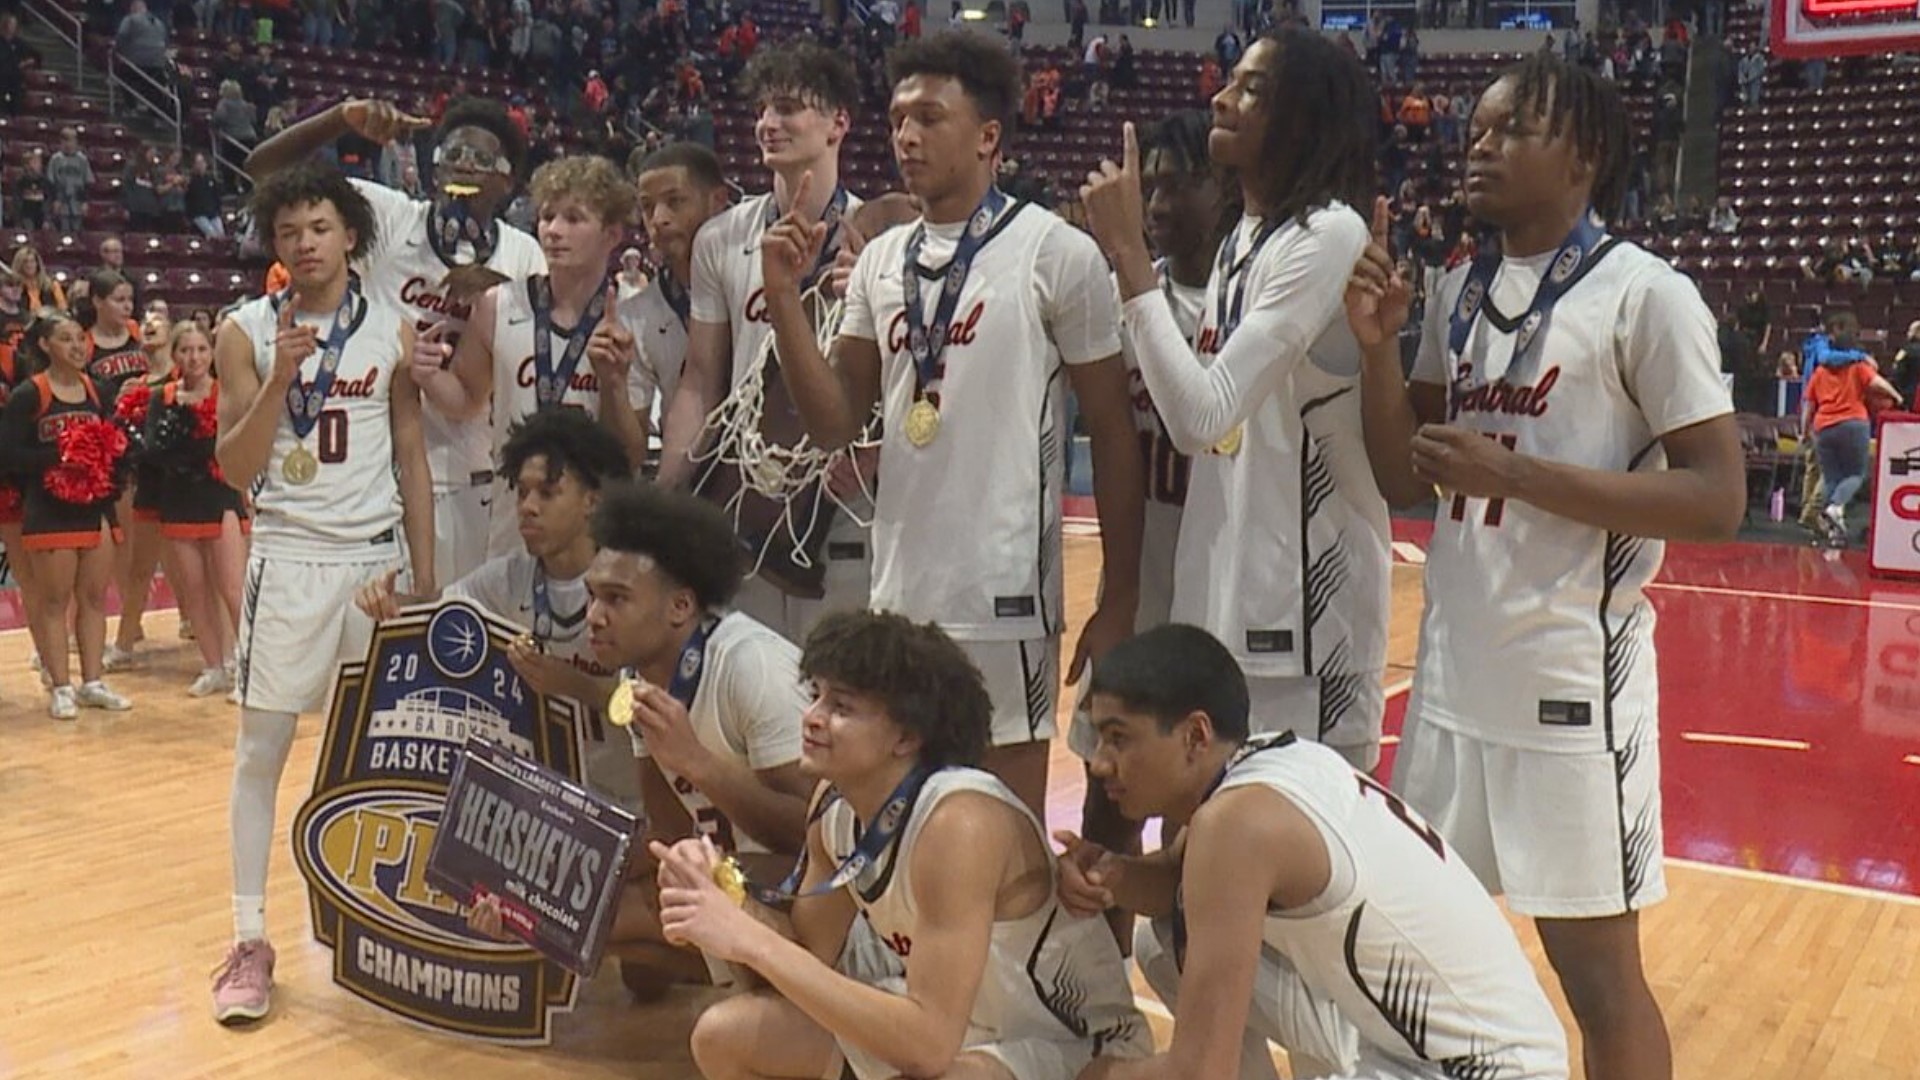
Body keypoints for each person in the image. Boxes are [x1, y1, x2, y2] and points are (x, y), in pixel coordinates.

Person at [1342, 53, 1745, 1080]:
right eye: (1477, 126)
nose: (1480, 143)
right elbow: (1403, 473)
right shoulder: (1462, 288)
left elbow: (1718, 498)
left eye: (1513, 126)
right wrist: (1380, 350)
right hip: (1446, 687)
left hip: (1573, 691)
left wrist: (1519, 477)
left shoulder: (1647, 296)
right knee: (1424, 960)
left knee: (1599, 982)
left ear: (1587, 155)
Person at [764, 31, 1146, 818]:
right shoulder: (880, 260)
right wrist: (781, 300)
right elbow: (836, 419)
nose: (906, 134)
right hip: (899, 589)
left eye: (930, 117)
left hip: (1004, 600)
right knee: (894, 824)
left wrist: (1119, 598)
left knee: (1004, 830)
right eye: (899, 117)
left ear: (988, 136)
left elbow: (1111, 433)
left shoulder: (1056, 252)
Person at [658, 610, 1152, 1080]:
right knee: (724, 1035)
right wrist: (727, 899)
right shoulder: (833, 806)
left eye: (841, 707)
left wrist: (752, 941)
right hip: (957, 1027)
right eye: (816, 696)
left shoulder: (962, 824)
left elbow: (927, 1045)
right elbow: (804, 963)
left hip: (1067, 1043)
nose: (811, 717)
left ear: (906, 738)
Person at [1081, 28, 1391, 772]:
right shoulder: (1244, 238)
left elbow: (1201, 417)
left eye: (1251, 88)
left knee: (1309, 871)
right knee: (1216, 853)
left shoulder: (1330, 234)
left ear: (1302, 115)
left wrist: (1128, 257)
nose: (1221, 97)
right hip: (1228, 608)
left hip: (1310, 627)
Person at [1065, 624, 1570, 1080]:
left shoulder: (1236, 826)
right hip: (1442, 1037)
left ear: (1196, 735)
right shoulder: (1269, 763)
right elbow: (1177, 889)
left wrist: (1095, 1072)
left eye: (1118, 739)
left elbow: (1200, 1071)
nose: (1100, 764)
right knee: (1169, 940)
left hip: (1482, 1069)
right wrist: (1114, 877)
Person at [209, 164, 435, 1025]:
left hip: (374, 566)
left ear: (350, 236)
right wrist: (278, 380)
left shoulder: (391, 328)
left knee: (383, 758)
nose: (303, 244)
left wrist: (426, 570)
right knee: (260, 752)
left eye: (318, 228)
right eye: (287, 233)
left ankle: (380, 922)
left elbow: (411, 454)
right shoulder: (243, 331)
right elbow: (236, 465)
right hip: (289, 558)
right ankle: (249, 937)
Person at [247, 96, 546, 587]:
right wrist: (338, 120)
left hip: (472, 471)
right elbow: (264, 170)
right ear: (431, 166)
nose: (464, 167)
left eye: (481, 160)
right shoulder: (390, 218)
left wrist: (485, 314)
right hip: (380, 468)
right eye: (452, 154)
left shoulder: (524, 255)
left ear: (508, 181)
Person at [655, 42, 875, 645]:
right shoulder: (721, 240)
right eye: (762, 111)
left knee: (843, 710)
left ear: (838, 124)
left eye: (788, 109)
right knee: (748, 716)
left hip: (848, 503)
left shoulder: (882, 237)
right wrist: (671, 496)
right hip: (745, 503)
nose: (768, 123)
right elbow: (701, 379)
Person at [563, 482, 815, 995]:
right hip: (735, 871)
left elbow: (816, 835)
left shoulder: (752, 667)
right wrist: (552, 877)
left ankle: (784, 998)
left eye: (616, 598)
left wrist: (697, 762)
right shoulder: (641, 679)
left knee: (636, 917)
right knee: (584, 917)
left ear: (680, 606)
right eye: (592, 596)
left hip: (817, 892)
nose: (594, 616)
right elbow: (670, 833)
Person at [1069, 108, 1231, 900]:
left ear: (1224, 188)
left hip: (1216, 600)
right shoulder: (1119, 298)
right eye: (1148, 187)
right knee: (1108, 802)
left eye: (1176, 184)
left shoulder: (1248, 307)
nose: (1157, 202)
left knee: (1201, 828)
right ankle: (1101, 1005)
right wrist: (1112, 598)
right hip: (1140, 585)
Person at [358, 409, 638, 806]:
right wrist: (391, 604)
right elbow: (436, 614)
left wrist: (571, 684)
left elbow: (650, 710)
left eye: (547, 492)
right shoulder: (508, 579)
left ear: (591, 501)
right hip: (540, 804)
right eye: (522, 492)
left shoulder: (633, 584)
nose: (527, 507)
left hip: (625, 805)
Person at [409, 153, 651, 558]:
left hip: (597, 536)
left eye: (573, 219)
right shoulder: (497, 304)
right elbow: (468, 399)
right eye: (547, 216)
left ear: (612, 234)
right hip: (513, 528)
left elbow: (629, 457)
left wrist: (613, 384)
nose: (554, 231)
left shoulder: (635, 319)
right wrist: (429, 375)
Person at [0, 311, 135, 719]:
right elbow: (9, 455)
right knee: (54, 601)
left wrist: (108, 469)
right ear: (45, 346)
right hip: (49, 512)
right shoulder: (29, 394)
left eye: (80, 338)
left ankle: (92, 681)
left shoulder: (100, 391)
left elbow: (119, 446)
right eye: (66, 339)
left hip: (95, 510)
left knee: (94, 598)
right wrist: (63, 456)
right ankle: (61, 686)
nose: (77, 346)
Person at [142, 321, 250, 698]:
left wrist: (188, 448)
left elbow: (232, 448)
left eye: (202, 349)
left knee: (233, 588)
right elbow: (153, 450)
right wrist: (191, 447)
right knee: (194, 589)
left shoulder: (226, 393)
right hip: (178, 501)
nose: (195, 357)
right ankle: (214, 665)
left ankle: (249, 668)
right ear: (175, 356)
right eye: (186, 350)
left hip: (221, 497)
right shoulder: (163, 397)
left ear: (213, 353)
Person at [628, 141, 733, 455]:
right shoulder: (635, 314)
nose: (658, 219)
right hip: (687, 471)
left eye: (675, 201)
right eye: (647, 207)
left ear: (718, 201)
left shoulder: (757, 283)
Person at [1804, 340, 1899, 548]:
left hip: (1823, 427)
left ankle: (1833, 531)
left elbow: (1809, 405)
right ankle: (1836, 508)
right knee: (1855, 474)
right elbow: (1878, 384)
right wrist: (1896, 396)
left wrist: (1804, 431)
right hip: (1853, 423)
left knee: (1831, 478)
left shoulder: (1820, 371)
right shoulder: (1858, 367)